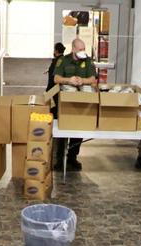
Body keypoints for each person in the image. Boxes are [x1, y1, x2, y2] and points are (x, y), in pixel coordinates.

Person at [53, 38, 97, 171]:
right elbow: (56, 78)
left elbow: (93, 79)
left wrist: (82, 80)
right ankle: (59, 159)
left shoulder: (88, 61)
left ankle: (72, 157)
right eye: (80, 49)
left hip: (81, 101)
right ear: (73, 49)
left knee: (79, 128)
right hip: (67, 99)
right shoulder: (63, 60)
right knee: (63, 130)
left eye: (84, 49)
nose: (82, 52)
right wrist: (69, 80)